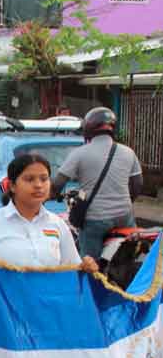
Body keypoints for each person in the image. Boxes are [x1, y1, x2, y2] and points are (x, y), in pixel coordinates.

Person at [0, 153, 99, 287]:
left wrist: (85, 268)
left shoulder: (58, 225)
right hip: (4, 307)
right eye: (29, 179)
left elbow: (72, 274)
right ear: (12, 185)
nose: (38, 185)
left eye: (44, 179)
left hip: (47, 306)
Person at [52, 107, 143, 259]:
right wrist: (125, 201)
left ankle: (91, 279)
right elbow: (138, 185)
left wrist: (52, 194)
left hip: (95, 220)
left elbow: (57, 184)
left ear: (88, 129)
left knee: (89, 264)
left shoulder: (80, 153)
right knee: (130, 255)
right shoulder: (128, 152)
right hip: (124, 216)